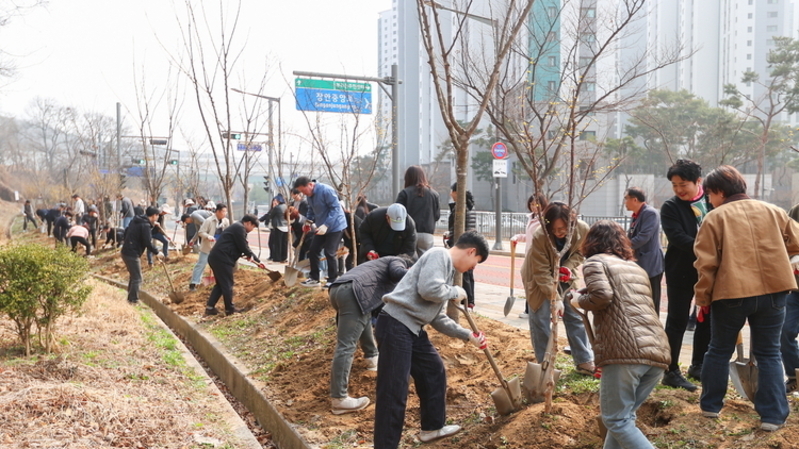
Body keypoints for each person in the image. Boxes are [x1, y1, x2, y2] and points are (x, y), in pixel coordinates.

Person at [694, 165, 799, 432]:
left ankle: (710, 406)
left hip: (732, 292)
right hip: (775, 290)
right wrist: (781, 252)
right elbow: (797, 240)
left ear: (719, 191)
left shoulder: (715, 218)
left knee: (719, 349)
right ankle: (772, 417)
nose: (709, 200)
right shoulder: (774, 211)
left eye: (709, 194)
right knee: (770, 352)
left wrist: (703, 299)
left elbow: (706, 264)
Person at [374, 231, 489, 448]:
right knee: (394, 391)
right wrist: (454, 291)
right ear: (471, 251)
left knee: (433, 370)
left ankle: (432, 427)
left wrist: (467, 335)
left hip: (412, 328)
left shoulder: (446, 271)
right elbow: (429, 290)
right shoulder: (439, 255)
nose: (471, 268)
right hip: (396, 325)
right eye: (475, 263)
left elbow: (437, 318)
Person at [571, 220, 670, 449]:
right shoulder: (636, 268)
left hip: (626, 353)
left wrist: (579, 300)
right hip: (657, 351)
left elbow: (603, 296)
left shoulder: (594, 262)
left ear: (590, 242)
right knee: (623, 419)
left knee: (616, 420)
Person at [327, 255, 413, 415]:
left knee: (364, 317)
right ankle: (339, 398)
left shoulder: (378, 266)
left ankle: (372, 357)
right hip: (353, 293)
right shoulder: (397, 261)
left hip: (339, 289)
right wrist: (417, 273)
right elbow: (397, 272)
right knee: (346, 346)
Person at [520, 202, 594, 375]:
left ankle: (584, 360)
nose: (558, 233)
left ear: (571, 222)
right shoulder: (541, 235)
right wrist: (555, 299)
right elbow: (540, 272)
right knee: (540, 319)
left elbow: (581, 252)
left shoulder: (582, 229)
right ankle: (545, 365)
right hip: (538, 276)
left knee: (575, 315)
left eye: (562, 229)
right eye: (553, 229)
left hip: (565, 274)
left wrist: (566, 267)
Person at [660, 159, 711, 390]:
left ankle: (698, 365)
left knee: (706, 319)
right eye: (675, 185)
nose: (679, 190)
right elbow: (678, 238)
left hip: (709, 272)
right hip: (681, 271)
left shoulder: (711, 201)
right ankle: (670, 370)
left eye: (683, 184)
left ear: (698, 181)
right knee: (677, 321)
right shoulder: (671, 207)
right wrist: (710, 250)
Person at [293, 176, 348, 287]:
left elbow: (336, 209)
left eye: (304, 190)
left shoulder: (326, 190)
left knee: (329, 252)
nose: (304, 193)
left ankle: (332, 279)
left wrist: (327, 225)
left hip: (336, 226)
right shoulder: (309, 195)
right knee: (313, 250)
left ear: (310, 184)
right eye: (301, 192)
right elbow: (311, 209)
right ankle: (314, 278)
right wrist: (308, 222)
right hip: (321, 227)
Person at [205, 214, 263, 316]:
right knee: (228, 284)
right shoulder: (239, 228)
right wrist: (257, 260)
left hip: (217, 258)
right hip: (222, 259)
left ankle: (210, 308)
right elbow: (244, 247)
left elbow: (239, 246)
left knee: (221, 284)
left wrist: (246, 255)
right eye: (253, 227)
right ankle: (230, 310)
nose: (252, 229)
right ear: (248, 223)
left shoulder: (237, 227)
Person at [624, 187, 665, 316]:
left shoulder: (650, 213)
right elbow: (632, 236)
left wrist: (623, 246)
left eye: (626, 199)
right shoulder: (636, 215)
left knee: (652, 300)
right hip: (639, 264)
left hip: (651, 264)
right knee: (640, 301)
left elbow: (643, 237)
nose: (625, 202)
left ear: (635, 200)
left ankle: (654, 327)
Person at [511, 193, 548, 319]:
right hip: (529, 255)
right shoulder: (531, 217)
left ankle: (534, 310)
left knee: (536, 283)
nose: (534, 207)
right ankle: (530, 310)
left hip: (539, 256)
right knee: (529, 282)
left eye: (537, 204)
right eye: (532, 204)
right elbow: (530, 237)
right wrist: (518, 237)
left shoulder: (544, 219)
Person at [445, 182, 478, 309]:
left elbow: (456, 227)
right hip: (470, 241)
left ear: (457, 192)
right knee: (468, 273)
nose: (450, 194)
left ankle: (466, 300)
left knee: (463, 273)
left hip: (462, 243)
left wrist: (451, 240)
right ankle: (470, 301)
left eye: (452, 191)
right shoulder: (470, 205)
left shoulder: (460, 207)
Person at [396, 165, 440, 257]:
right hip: (427, 234)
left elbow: (397, 214)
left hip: (408, 234)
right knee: (425, 261)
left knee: (408, 260)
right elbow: (437, 216)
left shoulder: (405, 193)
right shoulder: (434, 194)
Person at [120, 207, 161, 304]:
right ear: (154, 215)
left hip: (126, 251)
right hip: (132, 253)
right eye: (157, 215)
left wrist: (153, 226)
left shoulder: (136, 220)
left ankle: (130, 298)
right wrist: (157, 252)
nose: (157, 217)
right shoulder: (145, 225)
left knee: (134, 276)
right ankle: (133, 300)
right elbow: (147, 242)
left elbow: (136, 233)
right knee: (137, 278)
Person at [190, 203, 229, 291]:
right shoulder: (209, 221)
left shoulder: (226, 221)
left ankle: (218, 283)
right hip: (207, 247)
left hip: (219, 248)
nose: (225, 213)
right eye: (223, 211)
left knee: (219, 266)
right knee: (201, 264)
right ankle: (194, 283)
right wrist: (208, 236)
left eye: (226, 211)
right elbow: (201, 232)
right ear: (218, 211)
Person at [783, 203, 799, 393]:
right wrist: (795, 255)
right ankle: (795, 376)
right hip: (794, 287)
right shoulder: (796, 211)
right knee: (785, 331)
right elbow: (786, 238)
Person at [263, 194, 289, 263]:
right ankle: (284, 257)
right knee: (284, 243)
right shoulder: (286, 206)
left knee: (277, 243)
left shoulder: (277, 208)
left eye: (276, 200)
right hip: (286, 226)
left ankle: (277, 258)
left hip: (278, 226)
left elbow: (271, 216)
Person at [288, 188, 311, 262]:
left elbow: (305, 215)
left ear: (297, 194)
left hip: (304, 229)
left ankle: (304, 264)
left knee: (305, 249)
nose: (292, 196)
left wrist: (294, 245)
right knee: (300, 249)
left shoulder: (304, 203)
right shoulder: (292, 203)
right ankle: (299, 262)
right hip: (296, 226)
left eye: (293, 194)